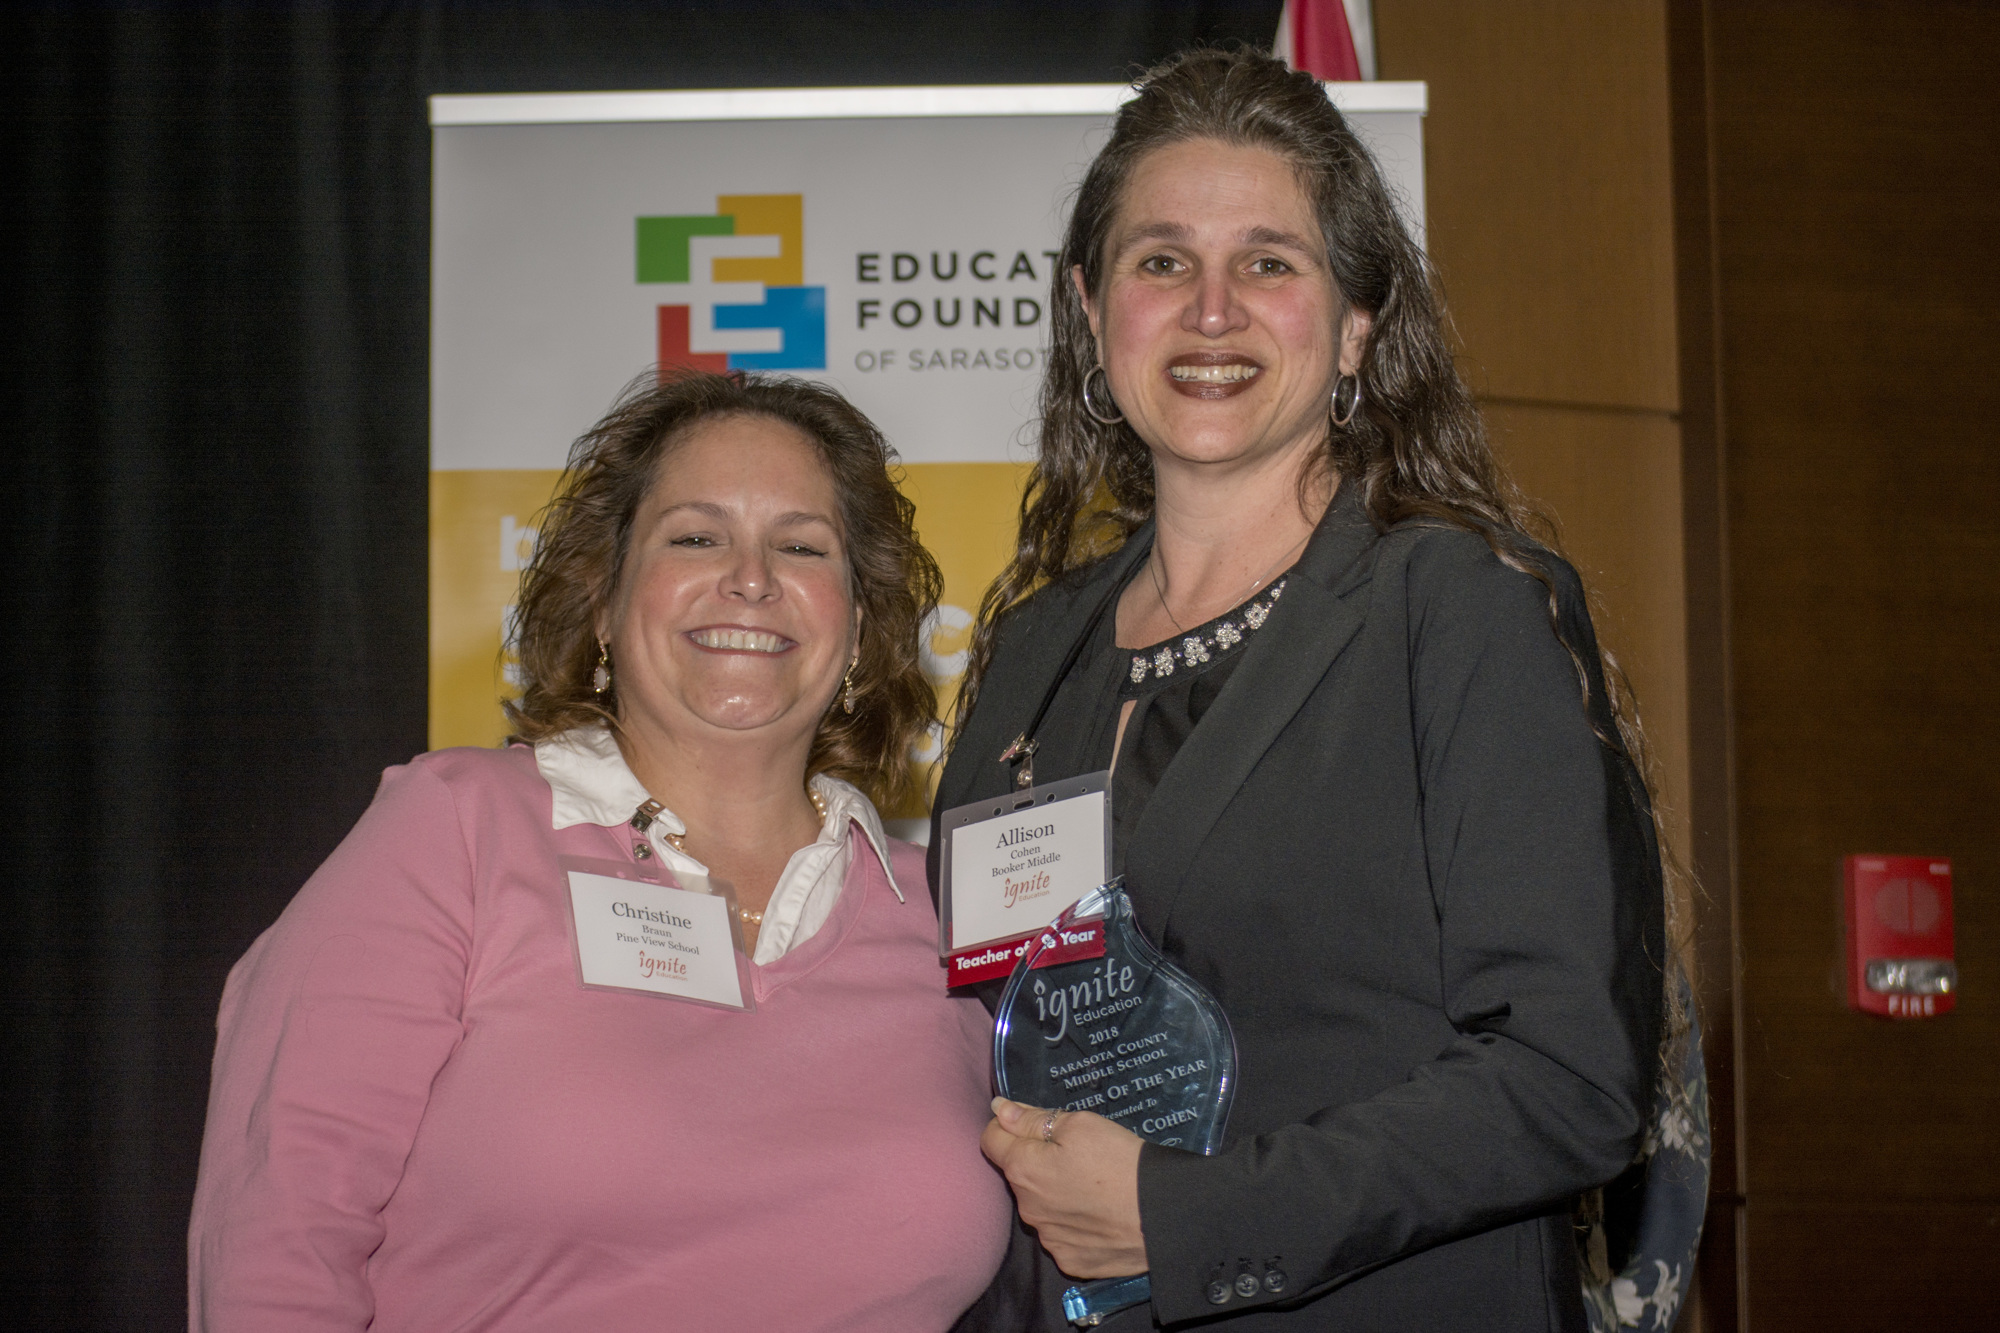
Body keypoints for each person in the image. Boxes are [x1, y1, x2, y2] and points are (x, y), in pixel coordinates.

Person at [932, 48, 1693, 1331]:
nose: (1210, 309)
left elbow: (1569, 1077)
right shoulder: (1030, 650)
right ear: (1087, 308)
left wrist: (1187, 1218)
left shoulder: (1454, 607)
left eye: (1269, 264)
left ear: (1355, 325)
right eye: (1160, 260)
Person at [190, 370, 1012, 1331]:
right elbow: (276, 1244)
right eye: (696, 536)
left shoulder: (946, 917)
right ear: (603, 603)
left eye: (800, 545)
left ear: (863, 629)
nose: (751, 576)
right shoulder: (456, 830)